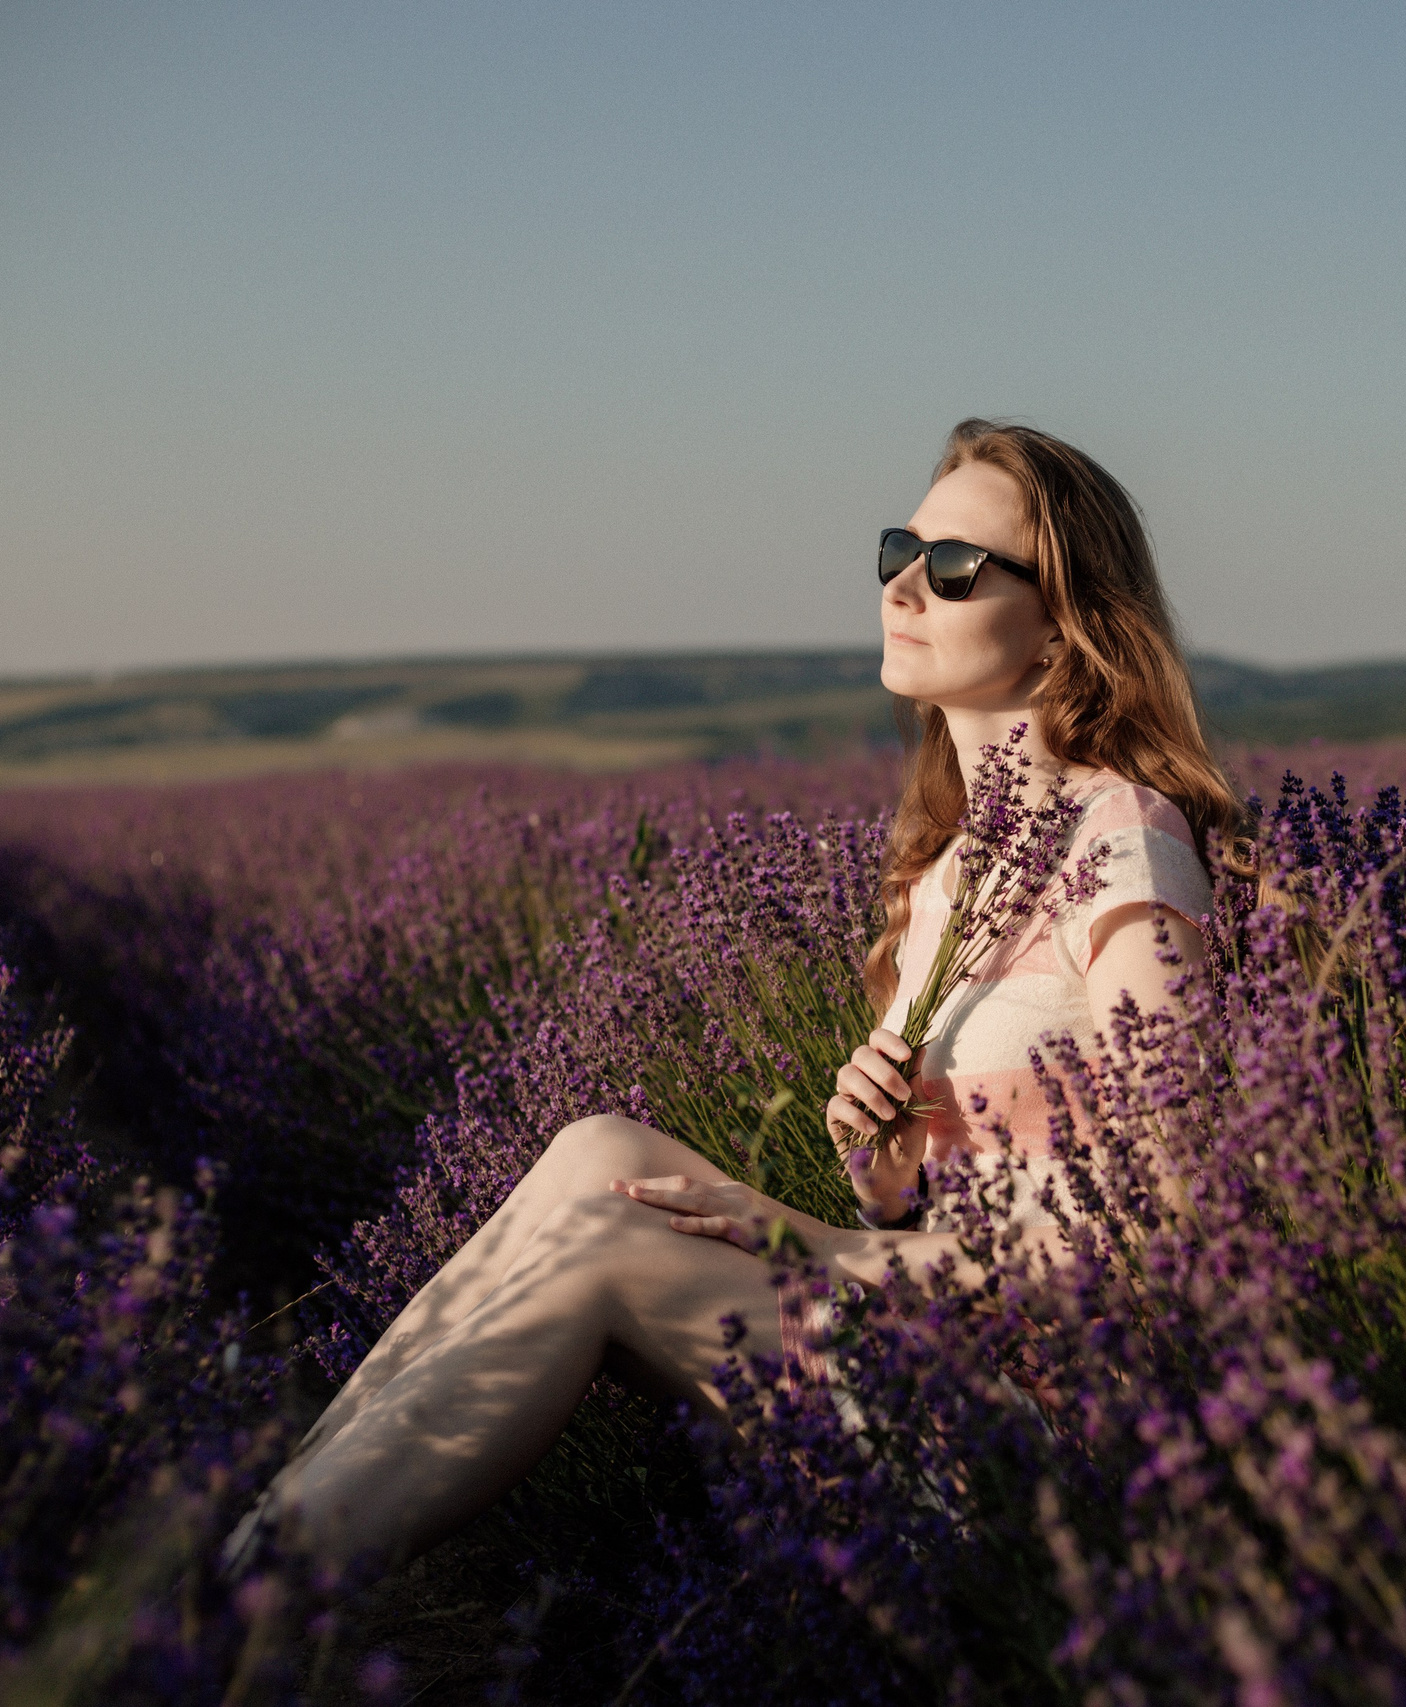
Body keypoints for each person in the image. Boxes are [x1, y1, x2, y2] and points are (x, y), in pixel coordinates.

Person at [229, 420, 1245, 1580]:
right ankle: (255, 1542)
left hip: (1050, 1429)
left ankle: (241, 1612)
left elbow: (1162, 1230)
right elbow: (970, 1203)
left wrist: (827, 1247)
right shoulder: (944, 869)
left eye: (958, 567)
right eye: (900, 551)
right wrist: (886, 1174)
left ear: (1063, 626)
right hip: (938, 1335)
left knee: (602, 1240)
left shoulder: (1121, 843)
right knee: (596, 1148)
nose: (904, 587)